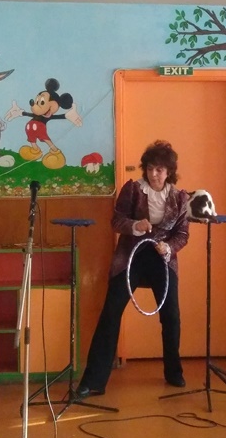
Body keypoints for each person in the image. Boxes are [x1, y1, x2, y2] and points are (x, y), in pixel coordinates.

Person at [76, 140, 189, 398]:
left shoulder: (180, 197)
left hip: (162, 259)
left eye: (159, 169)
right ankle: (93, 381)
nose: (154, 174)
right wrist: (135, 226)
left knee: (171, 315)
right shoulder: (132, 189)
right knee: (111, 312)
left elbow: (182, 234)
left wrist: (169, 247)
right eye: (150, 168)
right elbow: (116, 221)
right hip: (130, 256)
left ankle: (174, 372)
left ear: (169, 171)